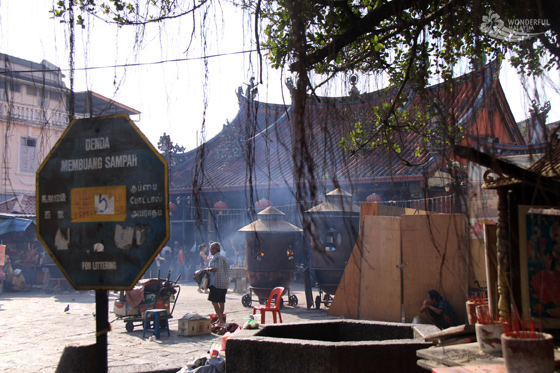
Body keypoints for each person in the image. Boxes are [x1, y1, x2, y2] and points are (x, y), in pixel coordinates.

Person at [203, 242, 230, 325]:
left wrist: (207, 270)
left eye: (211, 249)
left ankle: (221, 320)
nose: (210, 251)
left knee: (215, 302)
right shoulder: (225, 258)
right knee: (221, 301)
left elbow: (215, 268)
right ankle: (220, 319)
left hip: (216, 283)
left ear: (215, 249)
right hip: (224, 283)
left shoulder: (215, 258)